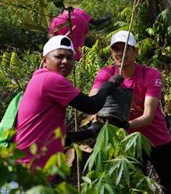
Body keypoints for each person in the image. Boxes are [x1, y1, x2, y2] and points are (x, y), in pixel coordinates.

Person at [89, 31, 171, 193]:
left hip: (156, 139)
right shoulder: (106, 73)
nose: (119, 53)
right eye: (116, 49)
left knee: (169, 186)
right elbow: (92, 101)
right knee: (137, 188)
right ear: (111, 53)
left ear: (135, 51)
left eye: (125, 48)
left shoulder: (150, 75)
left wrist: (124, 125)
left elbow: (148, 116)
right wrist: (107, 87)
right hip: (127, 143)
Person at [14, 36, 119, 169]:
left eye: (70, 58)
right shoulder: (51, 79)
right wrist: (108, 85)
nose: (65, 61)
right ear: (44, 60)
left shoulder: (39, 78)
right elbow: (91, 106)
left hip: (27, 167)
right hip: (29, 171)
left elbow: (61, 139)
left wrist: (91, 131)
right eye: (59, 57)